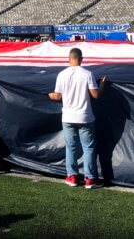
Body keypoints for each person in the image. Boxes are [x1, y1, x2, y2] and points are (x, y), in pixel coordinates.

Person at [48, 47, 105, 189]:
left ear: (69, 59)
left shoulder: (62, 74)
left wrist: (46, 94)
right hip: (85, 117)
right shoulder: (87, 74)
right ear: (81, 59)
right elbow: (96, 95)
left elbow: (57, 96)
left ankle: (72, 176)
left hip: (67, 117)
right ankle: (90, 179)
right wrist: (103, 84)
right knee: (88, 148)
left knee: (71, 147)